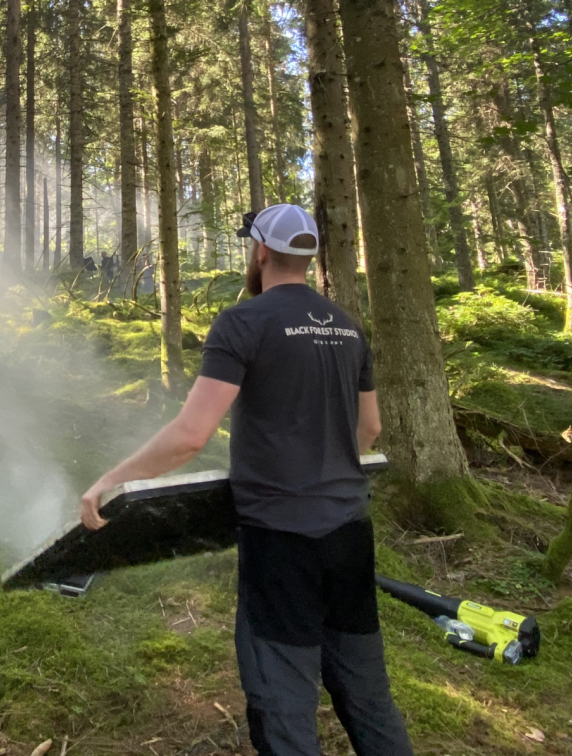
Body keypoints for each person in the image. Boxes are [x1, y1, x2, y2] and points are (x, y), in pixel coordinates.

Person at [79, 204, 413, 756]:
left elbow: (191, 435)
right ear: (309, 256)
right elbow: (370, 428)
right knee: (367, 693)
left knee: (283, 702)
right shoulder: (348, 327)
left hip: (281, 543)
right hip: (351, 534)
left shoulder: (244, 322)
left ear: (260, 251)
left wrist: (110, 480)